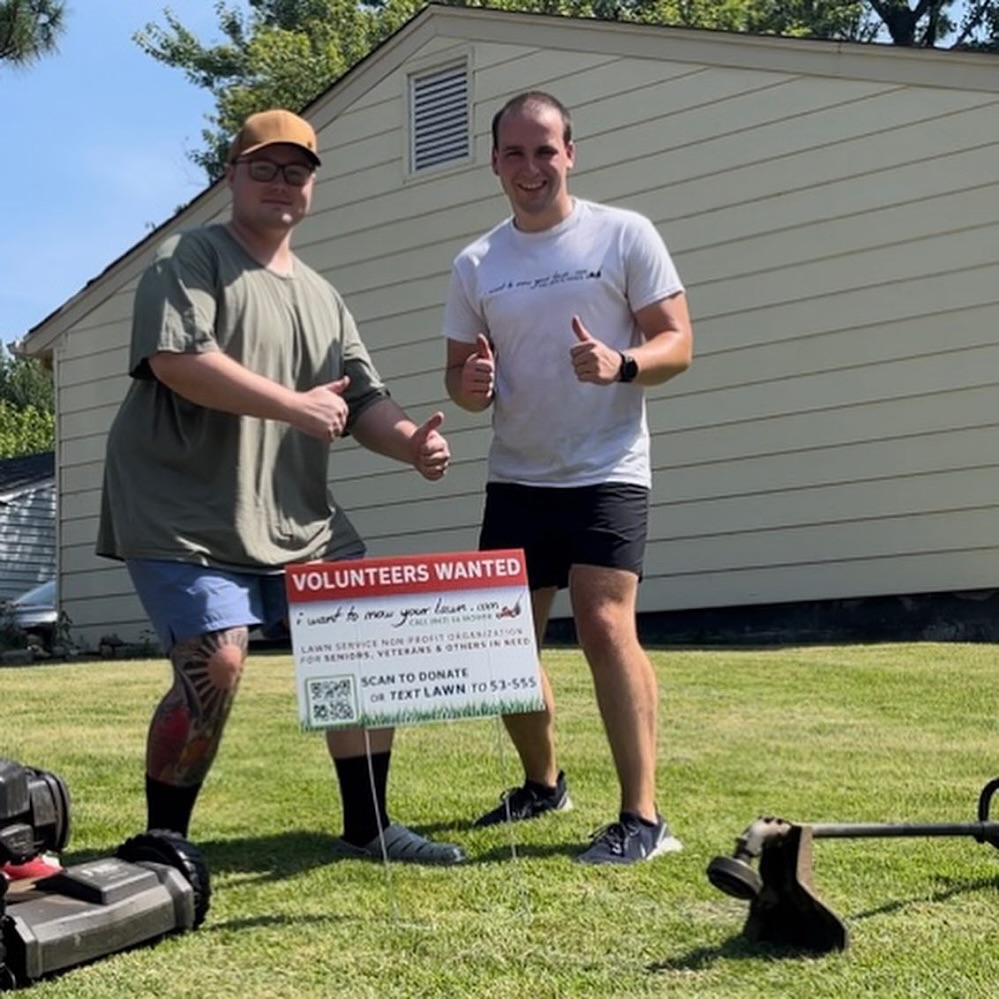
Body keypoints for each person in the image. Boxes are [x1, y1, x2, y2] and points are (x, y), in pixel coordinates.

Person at [96, 108, 463, 865]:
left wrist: (411, 445)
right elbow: (177, 360)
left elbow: (361, 400)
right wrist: (293, 403)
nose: (281, 182)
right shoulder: (188, 257)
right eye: (262, 166)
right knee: (218, 658)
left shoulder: (323, 297)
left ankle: (368, 825)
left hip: (296, 517)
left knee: (366, 637)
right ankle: (164, 838)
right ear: (231, 175)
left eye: (296, 170)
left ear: (312, 185)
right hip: (181, 508)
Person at [442, 92, 694, 865]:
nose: (530, 167)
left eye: (544, 150)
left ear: (570, 154)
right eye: (513, 153)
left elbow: (677, 341)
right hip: (516, 474)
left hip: (606, 467)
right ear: (493, 163)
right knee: (504, 645)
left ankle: (642, 817)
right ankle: (543, 782)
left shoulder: (623, 234)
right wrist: (472, 383)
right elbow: (457, 376)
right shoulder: (476, 263)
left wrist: (621, 363)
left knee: (603, 624)